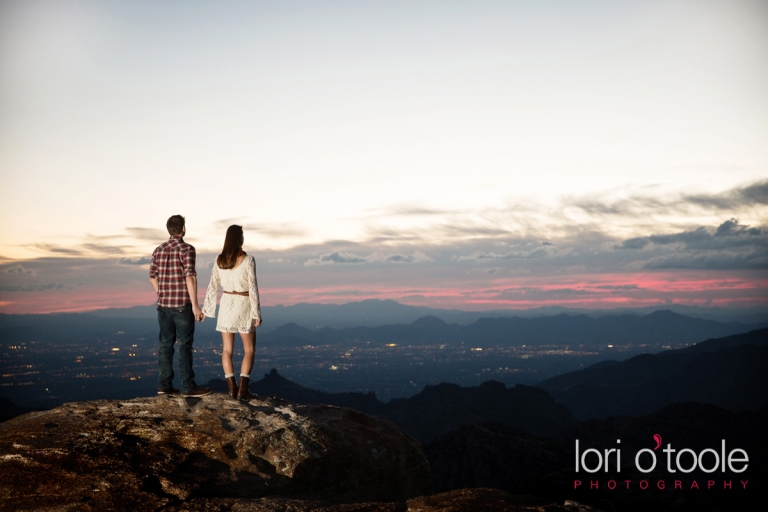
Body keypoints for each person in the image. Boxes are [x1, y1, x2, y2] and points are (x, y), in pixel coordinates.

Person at [149, 215, 211, 397]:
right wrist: (196, 306)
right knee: (184, 346)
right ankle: (188, 387)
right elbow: (190, 276)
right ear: (183, 228)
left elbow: (152, 277)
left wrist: (161, 293)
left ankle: (164, 386)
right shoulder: (187, 249)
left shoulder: (158, 250)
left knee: (165, 345)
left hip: (163, 306)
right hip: (182, 305)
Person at [202, 224, 262, 400]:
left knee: (227, 350)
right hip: (244, 304)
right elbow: (253, 287)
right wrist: (256, 312)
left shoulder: (219, 260)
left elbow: (212, 285)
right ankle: (243, 390)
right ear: (239, 238)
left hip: (227, 304)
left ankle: (231, 389)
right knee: (249, 350)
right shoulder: (248, 260)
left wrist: (207, 309)